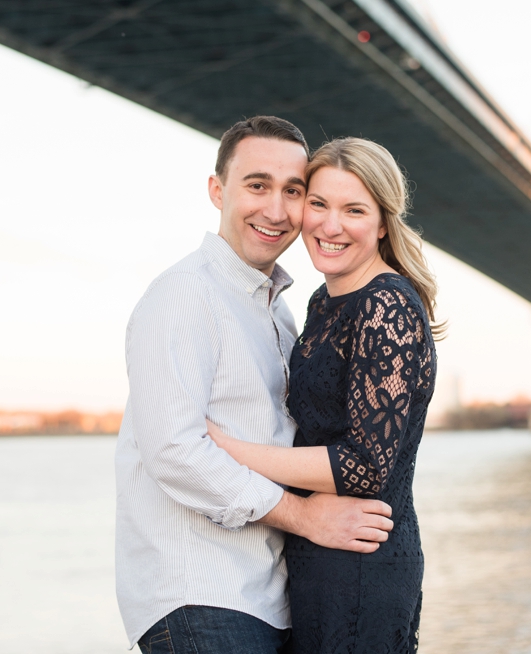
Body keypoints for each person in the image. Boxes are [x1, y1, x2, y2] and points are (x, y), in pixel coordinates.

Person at [115, 118, 395, 654]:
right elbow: (173, 450)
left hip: (267, 598)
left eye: (293, 191)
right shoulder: (184, 295)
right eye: (257, 185)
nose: (275, 210)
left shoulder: (281, 310)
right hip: (198, 594)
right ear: (218, 190)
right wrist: (304, 516)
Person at [206, 137, 442, 653]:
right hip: (316, 556)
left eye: (353, 210)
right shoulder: (323, 301)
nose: (329, 226)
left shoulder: (386, 306)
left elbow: (366, 465)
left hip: (361, 560)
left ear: (382, 222)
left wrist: (229, 451)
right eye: (318, 204)